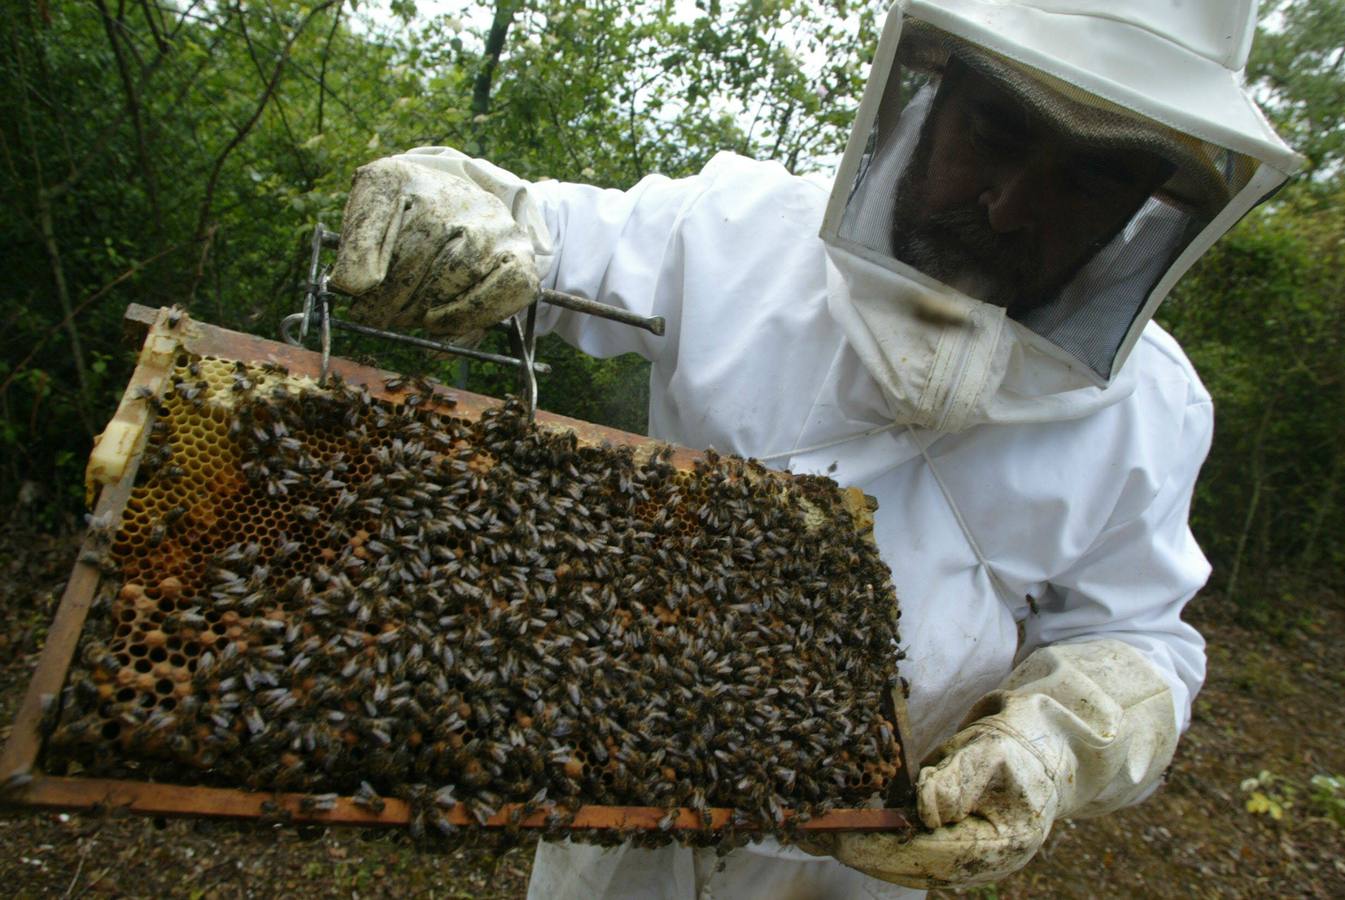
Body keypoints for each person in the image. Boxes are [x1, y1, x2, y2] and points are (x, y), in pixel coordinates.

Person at [329, 1, 1302, 896]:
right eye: (993, 136)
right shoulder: (740, 229)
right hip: (620, 810)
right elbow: (546, 237)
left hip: (864, 861)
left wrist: (1055, 741)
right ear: (932, 94)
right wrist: (447, 210)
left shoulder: (1152, 406)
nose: (1009, 206)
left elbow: (1136, 638)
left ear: (1147, 203)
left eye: (1086, 182)